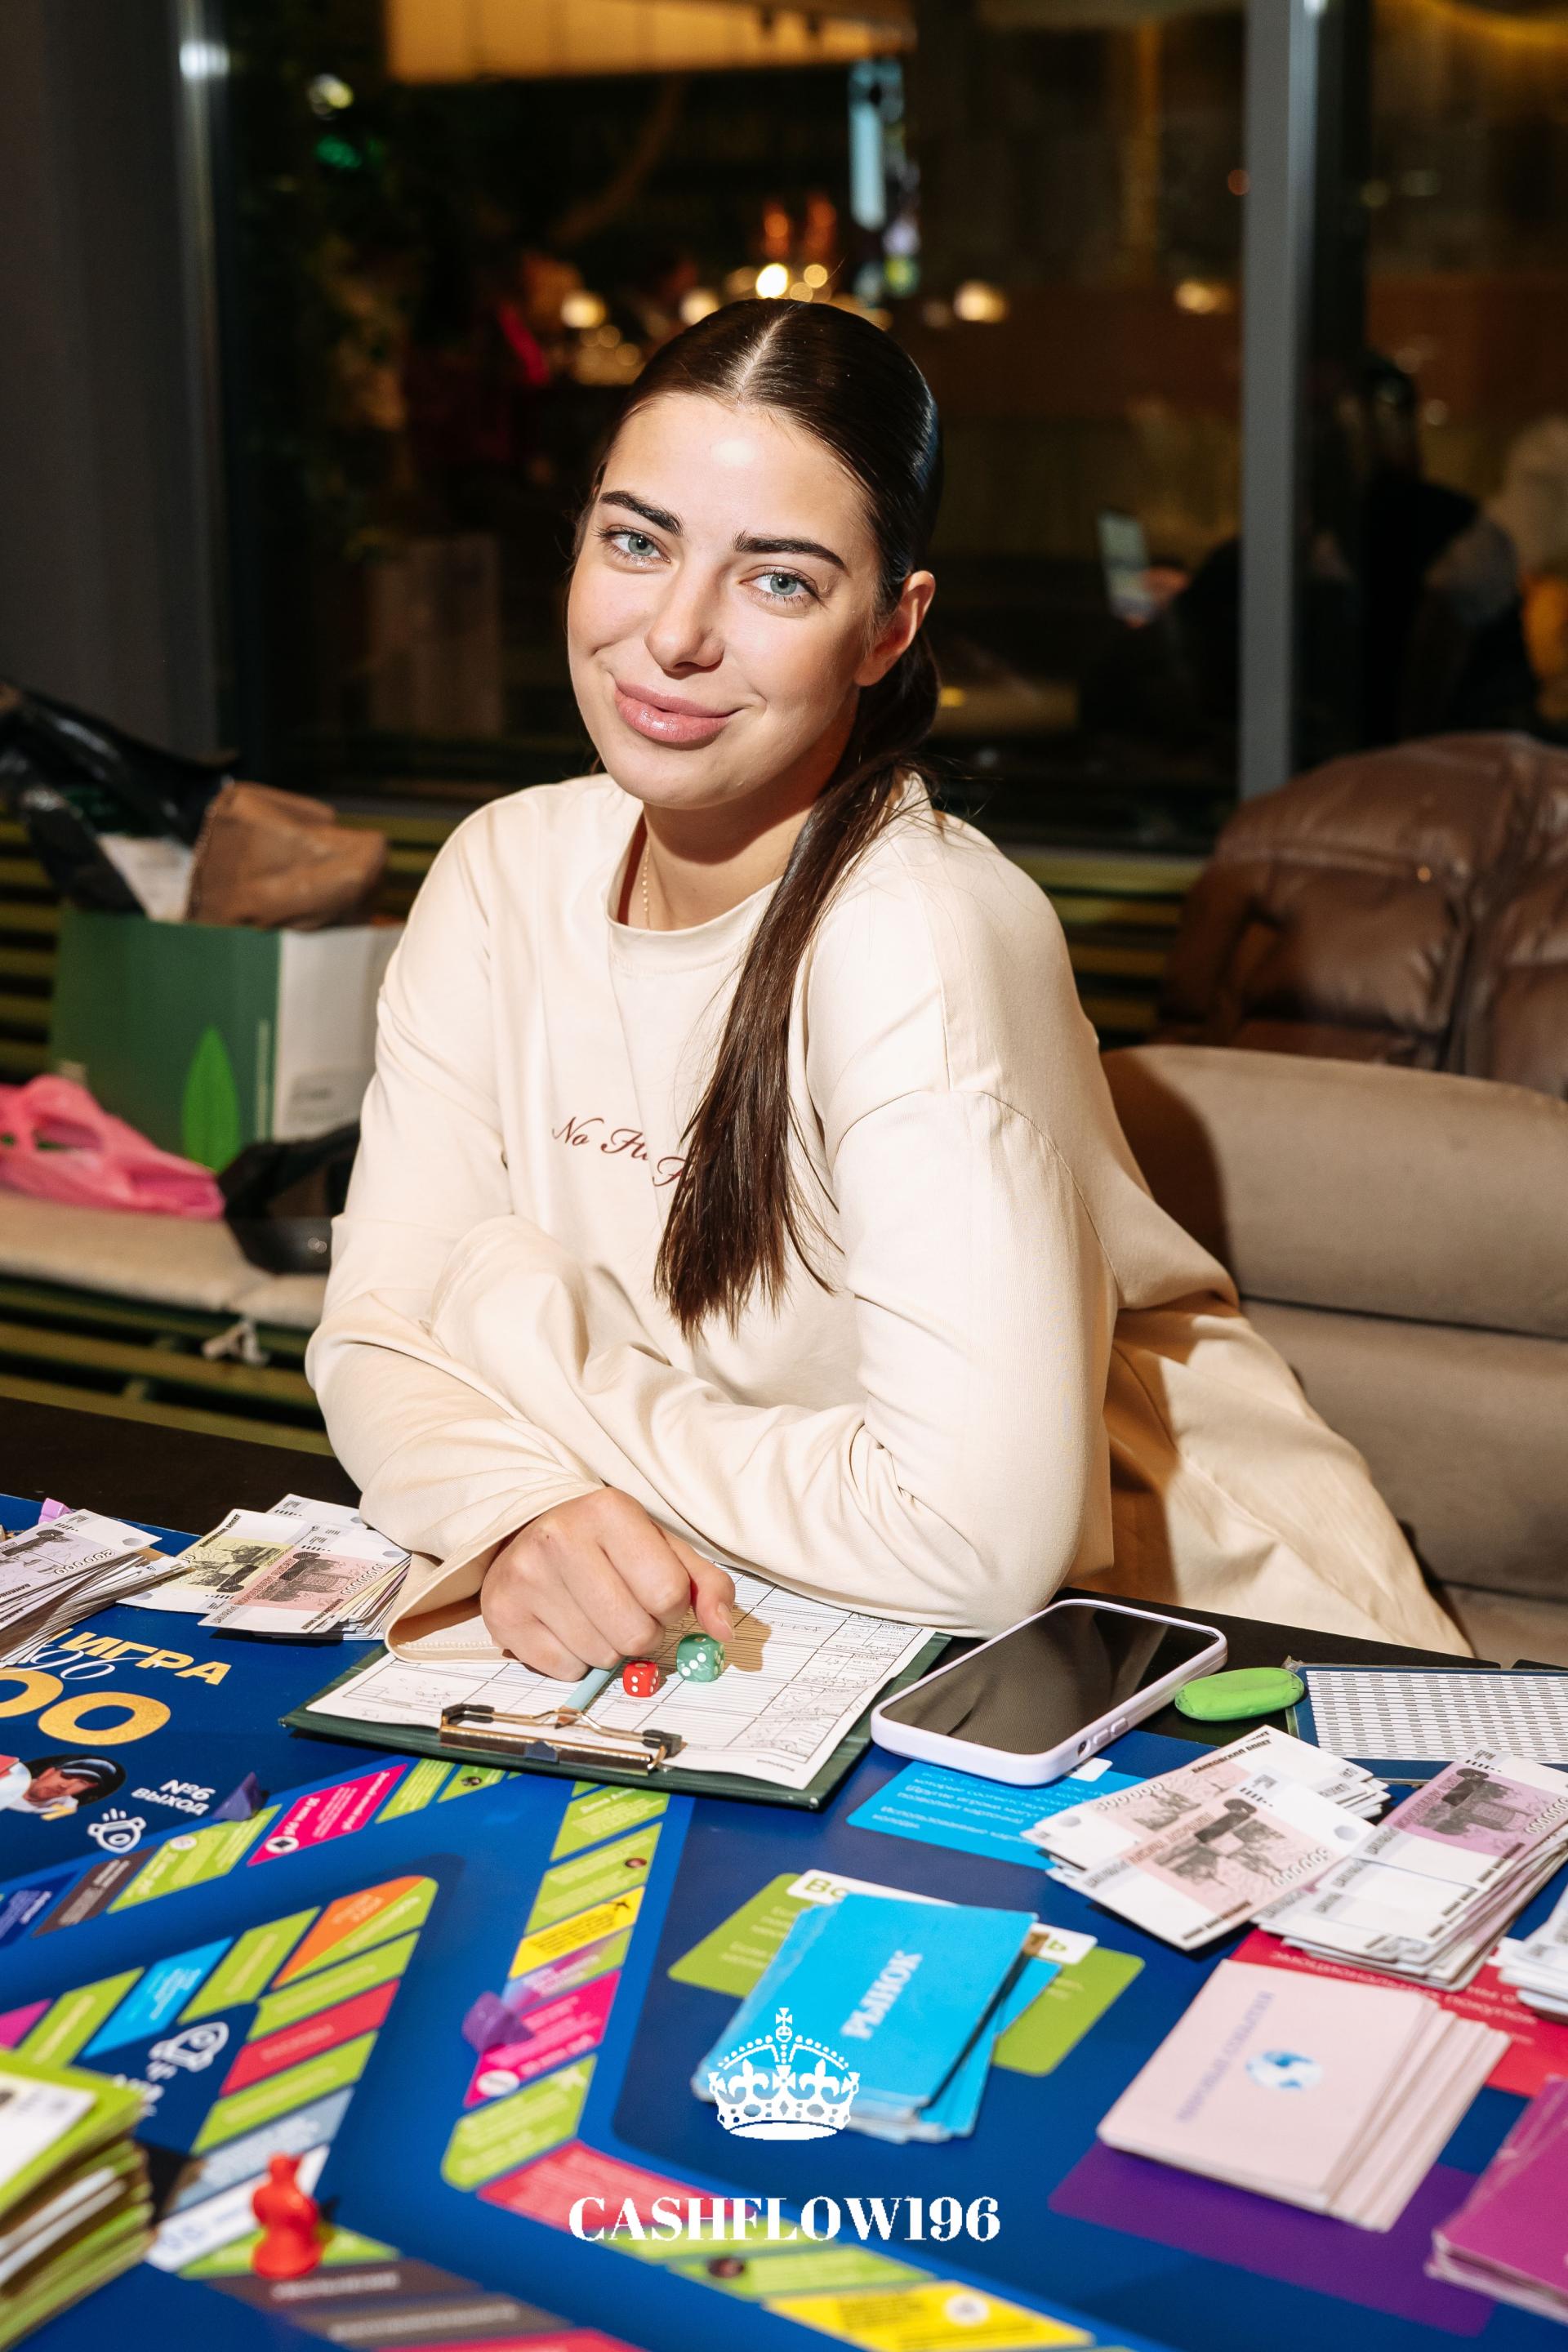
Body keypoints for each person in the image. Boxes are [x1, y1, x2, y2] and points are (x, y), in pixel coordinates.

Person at [308, 296, 1466, 1678]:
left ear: (887, 629)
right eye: (638, 542)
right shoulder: (503, 871)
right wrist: (519, 1511)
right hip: (792, 1627)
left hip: (1200, 1661)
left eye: (779, 582)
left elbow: (971, 1543)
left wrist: (516, 1336)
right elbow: (372, 1338)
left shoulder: (922, 931)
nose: (674, 635)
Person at [0, 1754, 124, 1818]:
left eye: (82, 1783)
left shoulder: (67, 1807)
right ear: (47, 1773)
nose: (65, 1786)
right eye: (66, 1776)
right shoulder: (7, 1778)